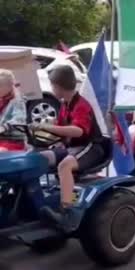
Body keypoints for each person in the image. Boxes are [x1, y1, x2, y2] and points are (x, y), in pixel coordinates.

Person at [33, 65, 104, 231]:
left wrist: (49, 128)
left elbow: (78, 131)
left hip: (90, 147)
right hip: (72, 147)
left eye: (52, 85)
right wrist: (41, 129)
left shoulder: (81, 105)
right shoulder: (65, 104)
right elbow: (60, 129)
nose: (51, 88)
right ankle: (36, 202)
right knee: (38, 157)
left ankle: (68, 212)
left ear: (59, 86)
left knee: (65, 166)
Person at [0, 69, 27, 151]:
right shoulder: (2, 98)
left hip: (12, 140)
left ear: (8, 87)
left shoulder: (17, 101)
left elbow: (19, 119)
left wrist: (4, 127)